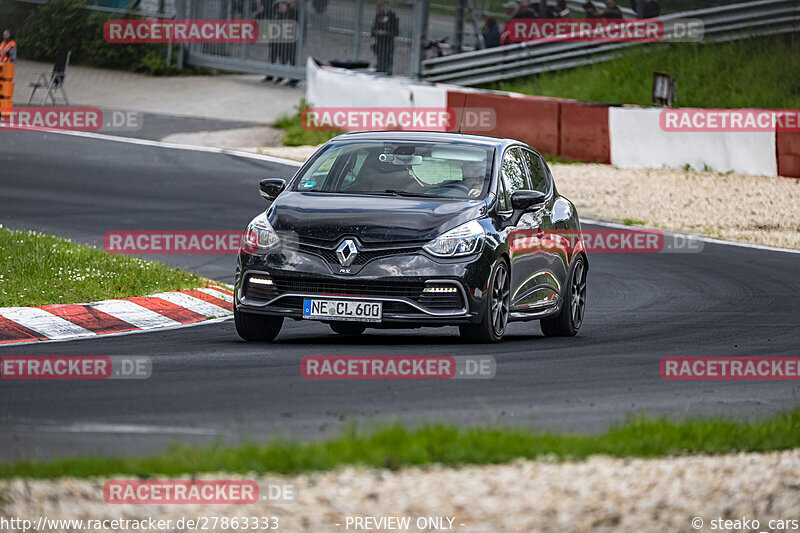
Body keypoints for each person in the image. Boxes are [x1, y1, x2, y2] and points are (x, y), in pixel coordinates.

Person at [371, 2, 399, 75]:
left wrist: (386, 33)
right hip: (379, 40)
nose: (379, 9)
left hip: (388, 41)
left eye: (381, 7)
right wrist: (376, 32)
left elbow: (396, 32)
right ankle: (379, 67)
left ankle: (389, 69)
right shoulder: (378, 16)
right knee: (379, 54)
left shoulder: (392, 16)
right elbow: (373, 29)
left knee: (388, 56)